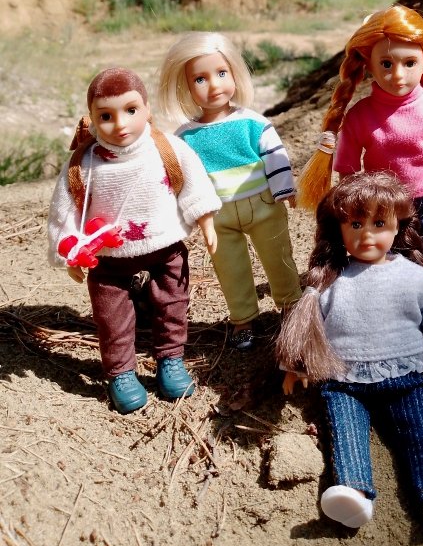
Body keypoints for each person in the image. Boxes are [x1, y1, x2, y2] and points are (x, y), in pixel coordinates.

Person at [277, 171, 423, 531]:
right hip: (342, 381)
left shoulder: (417, 278)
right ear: (338, 229)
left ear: (398, 226)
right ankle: (353, 494)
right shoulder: (328, 281)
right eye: (355, 223)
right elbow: (309, 328)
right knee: (346, 431)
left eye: (379, 222)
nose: (367, 233)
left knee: (420, 430)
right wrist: (297, 366)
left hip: (404, 376)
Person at [47, 68, 221, 414]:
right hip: (108, 257)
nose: (120, 124)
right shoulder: (85, 161)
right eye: (106, 116)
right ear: (92, 118)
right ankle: (121, 372)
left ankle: (171, 358)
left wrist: (206, 220)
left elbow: (193, 180)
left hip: (164, 245)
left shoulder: (166, 147)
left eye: (131, 110)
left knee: (171, 302)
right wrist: (70, 251)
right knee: (111, 315)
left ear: (147, 109)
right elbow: (65, 206)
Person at [297, 5, 423, 301]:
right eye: (386, 64)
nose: (398, 74)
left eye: (409, 63)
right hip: (386, 199)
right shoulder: (361, 116)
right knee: (395, 248)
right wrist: (353, 197)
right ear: (369, 67)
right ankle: (401, 297)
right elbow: (348, 166)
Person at [158, 32, 302, 351]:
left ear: (234, 73)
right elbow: (181, 176)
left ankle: (291, 305)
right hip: (218, 215)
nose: (214, 85)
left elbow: (273, 154)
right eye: (200, 78)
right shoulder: (185, 137)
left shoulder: (252, 122)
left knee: (278, 257)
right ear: (185, 86)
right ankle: (243, 317)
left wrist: (284, 188)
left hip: (264, 205)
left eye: (221, 73)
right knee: (230, 267)